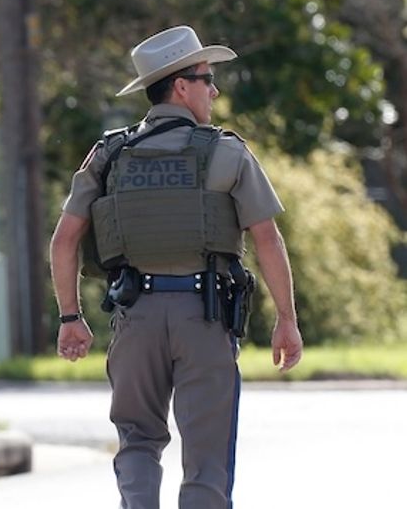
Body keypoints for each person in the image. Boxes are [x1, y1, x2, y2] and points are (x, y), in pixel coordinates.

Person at [49, 25, 303, 509]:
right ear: (181, 86)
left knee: (138, 440)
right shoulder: (226, 151)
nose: (215, 89)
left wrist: (70, 318)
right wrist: (286, 321)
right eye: (207, 78)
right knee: (207, 457)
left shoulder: (109, 155)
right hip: (203, 320)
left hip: (136, 317)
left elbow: (64, 241)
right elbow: (267, 238)